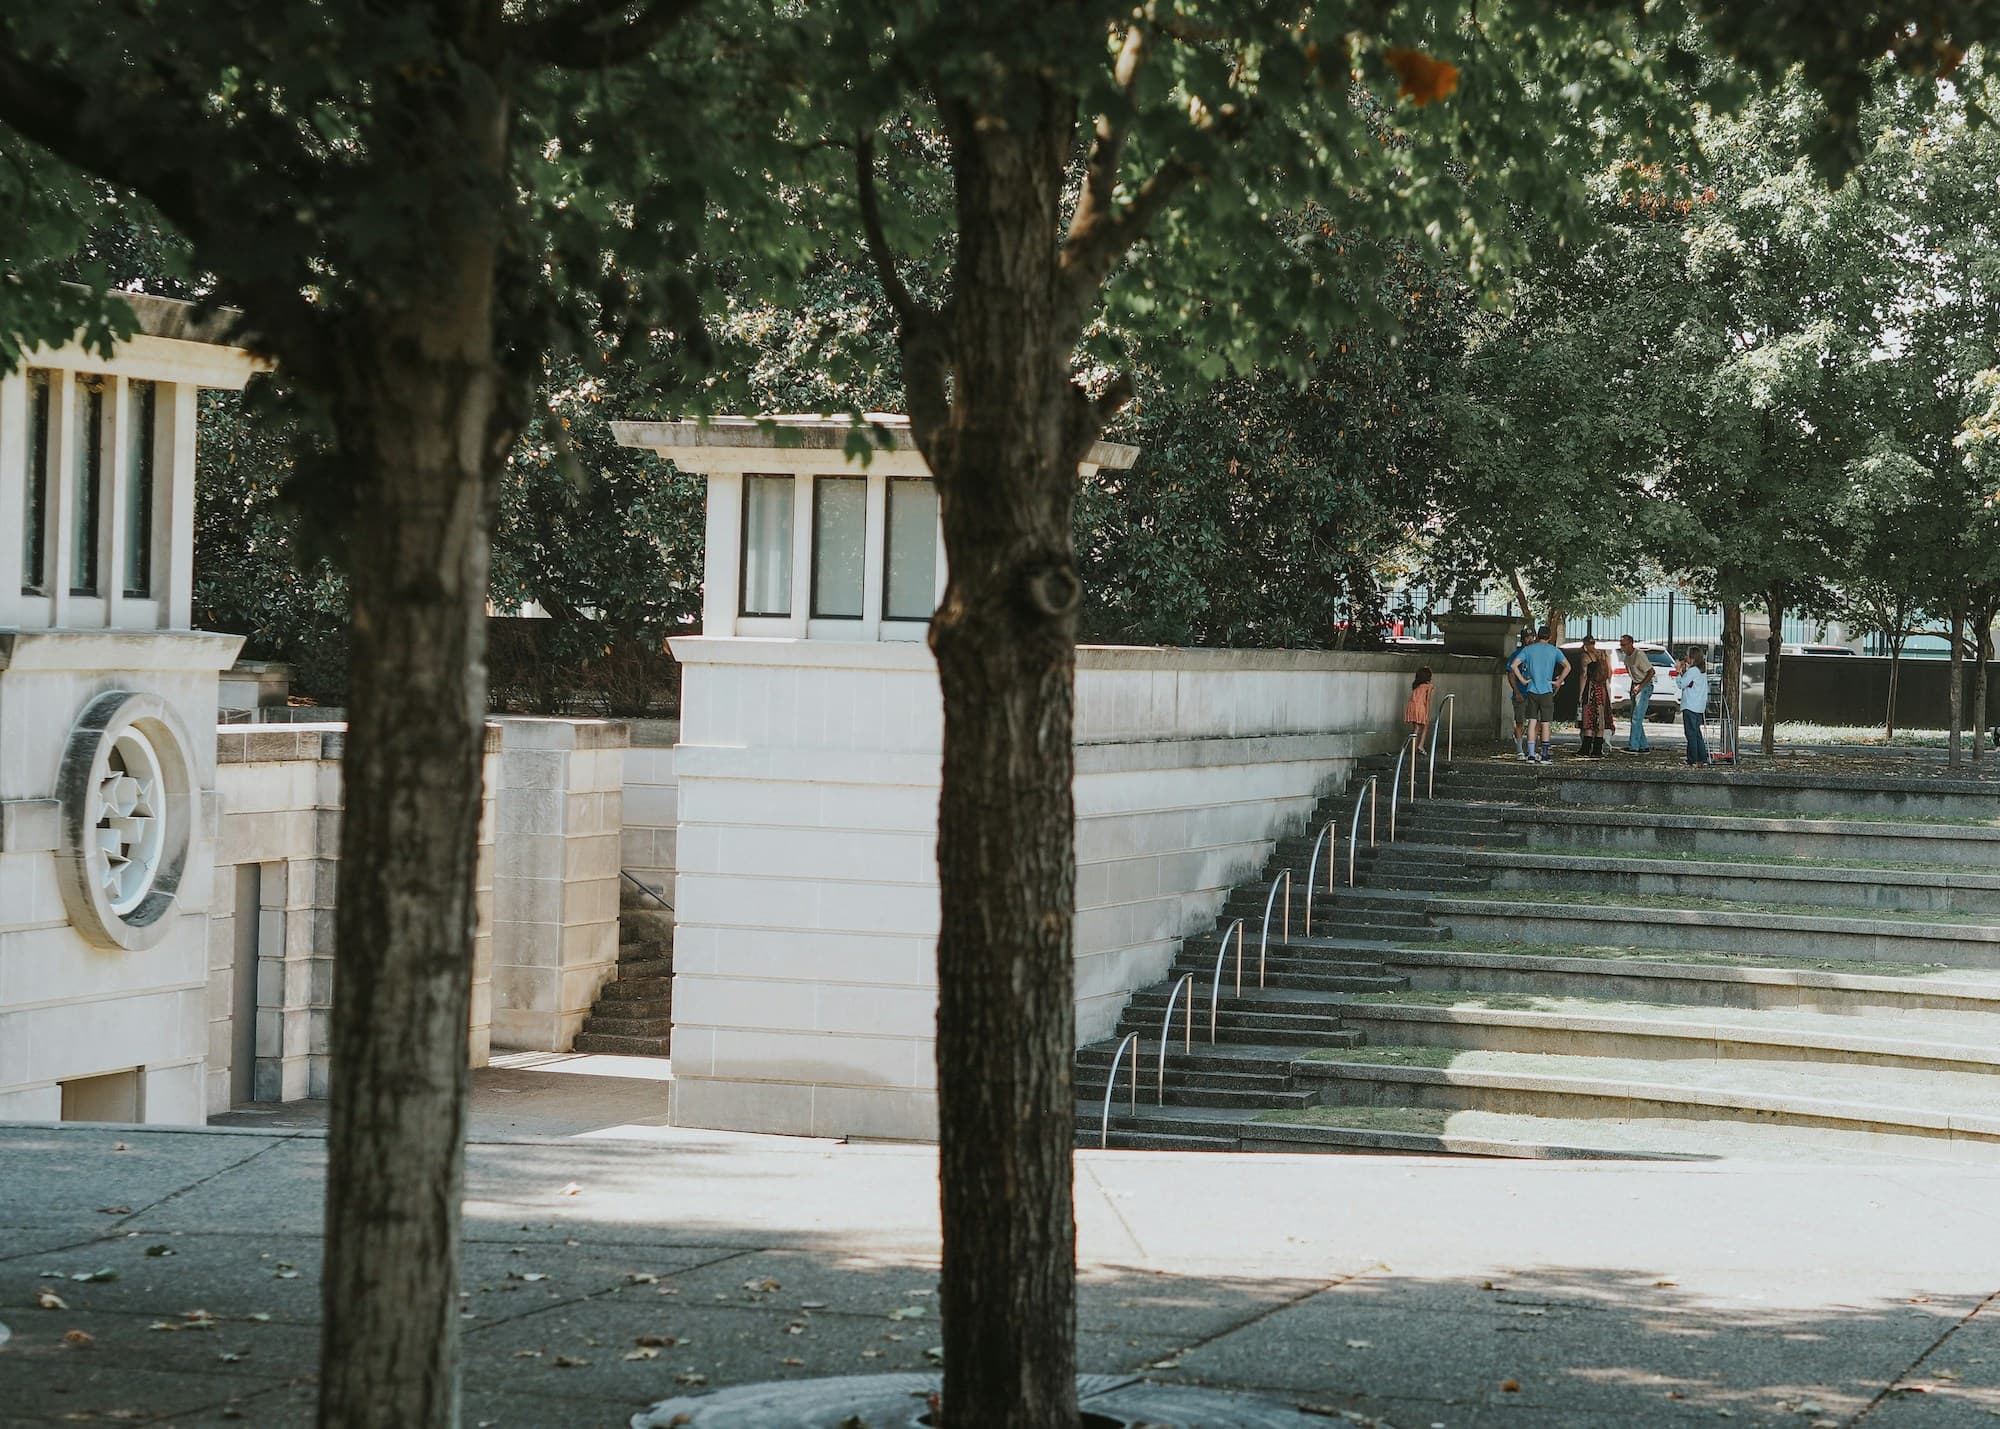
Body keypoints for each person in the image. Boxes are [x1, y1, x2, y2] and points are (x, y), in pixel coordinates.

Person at [1507, 626, 1570, 763]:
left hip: (1532, 690)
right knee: (1545, 723)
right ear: (1550, 637)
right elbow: (1568, 666)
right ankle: (1545, 755)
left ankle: (1530, 754)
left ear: (1537, 636)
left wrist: (1523, 680)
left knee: (1531, 721)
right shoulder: (1554, 650)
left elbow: (1513, 666)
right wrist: (1558, 681)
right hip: (1547, 689)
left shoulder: (1528, 650)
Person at [1674, 647, 1711, 765]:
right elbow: (1690, 683)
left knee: (1690, 733)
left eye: (1687, 655)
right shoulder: (1701, 671)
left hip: (1690, 705)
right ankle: (1702, 758)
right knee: (1697, 733)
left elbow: (1681, 684)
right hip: (1699, 706)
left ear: (1692, 658)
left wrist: (1678, 672)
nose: (1686, 658)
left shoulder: (1693, 671)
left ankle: (1692, 759)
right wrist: (1684, 672)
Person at [1618, 634, 1654, 753]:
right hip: (1635, 685)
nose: (1622, 647)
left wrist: (1640, 686)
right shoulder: (1627, 657)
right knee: (1635, 717)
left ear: (1631, 644)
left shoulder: (1639, 655)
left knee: (1636, 718)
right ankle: (1643, 746)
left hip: (1643, 686)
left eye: (1624, 645)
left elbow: (1651, 672)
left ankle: (1633, 746)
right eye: (1621, 645)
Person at [1577, 658, 1613, 755]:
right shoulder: (1606, 661)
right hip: (1602, 692)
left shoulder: (1586, 659)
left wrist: (1580, 694)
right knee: (1600, 722)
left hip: (1591, 691)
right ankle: (1597, 750)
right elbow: (1609, 676)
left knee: (1589, 720)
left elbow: (1583, 676)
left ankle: (1585, 749)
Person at [1508, 627, 1533, 758]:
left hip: (1534, 692)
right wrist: (1516, 691)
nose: (1529, 639)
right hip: (1521, 692)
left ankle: (1531, 749)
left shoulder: (1536, 654)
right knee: (1519, 721)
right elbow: (1511, 674)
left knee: (1535, 721)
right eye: (1527, 637)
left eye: (1531, 637)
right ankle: (1519, 749)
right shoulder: (1516, 655)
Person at [1404, 665, 1434, 752]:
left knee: (1416, 728)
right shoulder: (1429, 686)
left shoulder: (1416, 685)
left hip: (1411, 705)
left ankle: (1413, 747)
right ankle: (1420, 745)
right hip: (1420, 706)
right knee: (1425, 725)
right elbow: (1427, 700)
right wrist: (1427, 713)